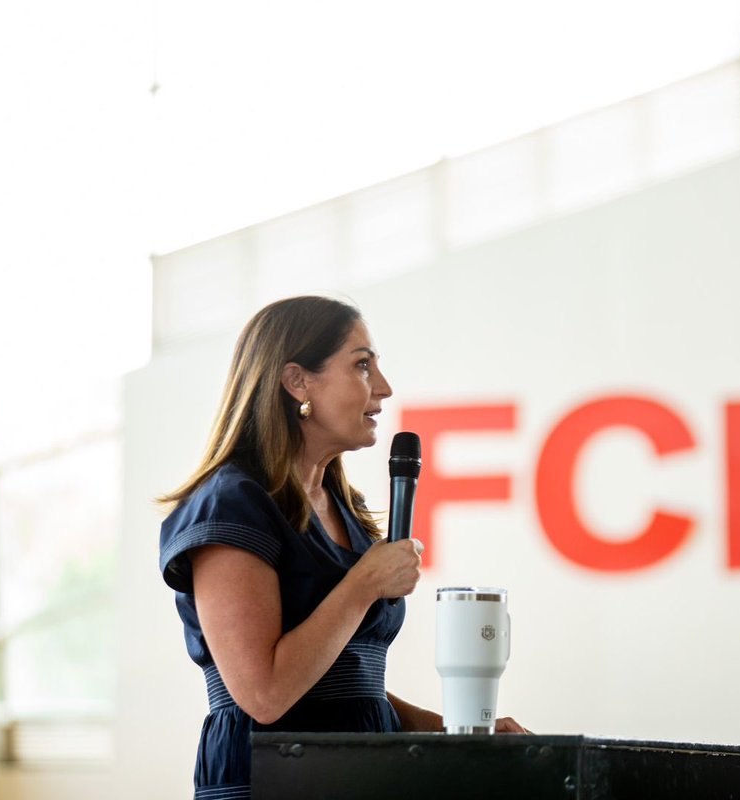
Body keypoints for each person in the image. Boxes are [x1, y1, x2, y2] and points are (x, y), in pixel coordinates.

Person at [158, 295, 524, 799]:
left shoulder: (341, 507)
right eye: (362, 365)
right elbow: (264, 695)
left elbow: (348, 687)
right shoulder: (231, 505)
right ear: (297, 382)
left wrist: (454, 733)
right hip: (271, 778)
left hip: (359, 772)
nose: (384, 387)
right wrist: (363, 585)